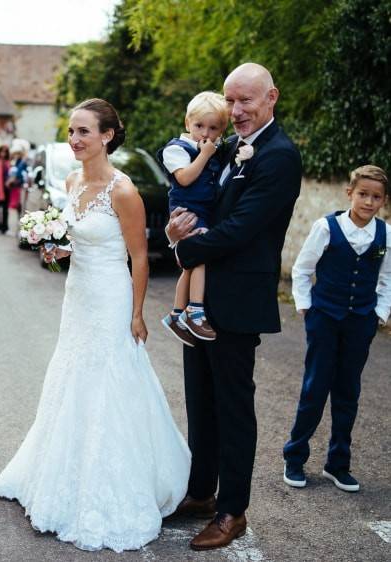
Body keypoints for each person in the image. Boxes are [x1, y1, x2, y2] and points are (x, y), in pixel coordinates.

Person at [0, 98, 191, 552]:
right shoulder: (72, 180)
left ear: (107, 136)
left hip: (111, 297)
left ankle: (116, 481)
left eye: (83, 131)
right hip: (77, 296)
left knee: (111, 380)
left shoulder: (123, 191)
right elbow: (77, 241)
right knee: (73, 375)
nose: (74, 139)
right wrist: (56, 250)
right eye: (71, 131)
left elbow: (139, 256)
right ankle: (61, 472)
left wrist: (137, 313)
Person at [165, 62, 302, 551]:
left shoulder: (279, 156)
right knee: (200, 401)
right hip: (204, 299)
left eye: (246, 100)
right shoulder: (224, 147)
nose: (236, 110)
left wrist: (183, 251)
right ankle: (201, 493)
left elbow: (242, 228)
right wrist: (175, 229)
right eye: (230, 99)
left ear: (271, 98)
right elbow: (194, 199)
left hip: (238, 299)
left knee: (233, 407)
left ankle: (232, 511)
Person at [283, 165, 389, 493]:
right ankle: (295, 457)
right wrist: (306, 307)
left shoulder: (385, 234)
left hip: (361, 321)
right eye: (363, 194)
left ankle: (337, 463)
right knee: (315, 389)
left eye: (376, 197)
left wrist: (378, 315)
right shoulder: (327, 227)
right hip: (325, 318)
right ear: (349, 194)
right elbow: (302, 269)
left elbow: (387, 279)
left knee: (348, 392)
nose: (368, 202)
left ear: (383, 201)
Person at [159, 92, 229, 344]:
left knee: (190, 266)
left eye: (214, 128)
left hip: (204, 212)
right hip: (187, 211)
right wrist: (205, 154)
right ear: (187, 123)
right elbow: (185, 178)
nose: (205, 134)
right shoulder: (176, 149)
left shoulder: (212, 149)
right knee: (199, 260)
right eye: (199, 126)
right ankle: (195, 311)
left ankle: (176, 314)